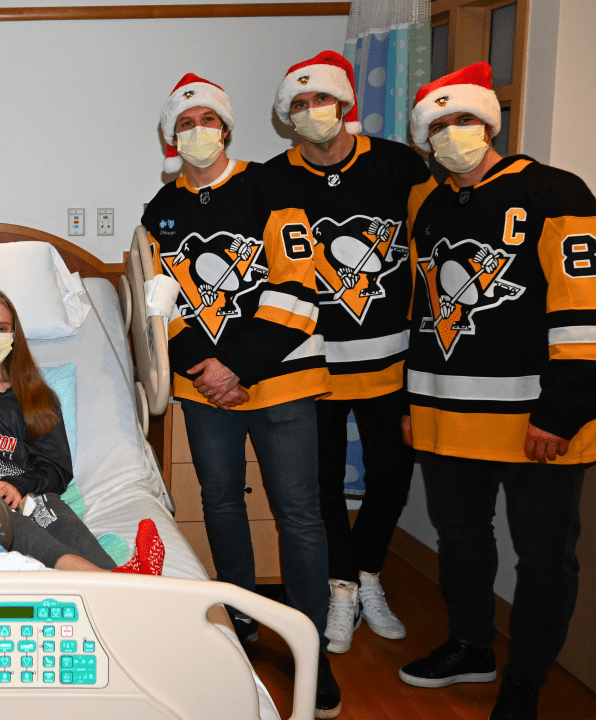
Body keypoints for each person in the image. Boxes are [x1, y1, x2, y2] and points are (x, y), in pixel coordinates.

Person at [398, 62, 596, 720]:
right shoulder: (427, 204)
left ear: (490, 123)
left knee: (544, 555)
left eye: (464, 120)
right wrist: (410, 404)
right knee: (461, 535)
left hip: (536, 420)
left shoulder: (555, 192)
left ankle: (526, 680)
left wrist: (563, 411)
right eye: (438, 126)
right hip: (444, 414)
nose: (453, 134)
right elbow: (422, 313)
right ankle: (470, 644)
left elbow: (583, 310)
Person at [141, 72, 341, 718]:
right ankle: (244, 622)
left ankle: (312, 647)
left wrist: (238, 367)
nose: (197, 131)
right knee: (222, 503)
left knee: (298, 512)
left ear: (226, 128)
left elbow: (297, 286)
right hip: (205, 390)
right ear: (173, 137)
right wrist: (204, 366)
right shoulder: (159, 211)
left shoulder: (273, 187)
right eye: (185, 123)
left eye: (207, 120)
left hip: (278, 377)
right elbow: (158, 309)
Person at [266, 50, 434, 654]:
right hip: (313, 365)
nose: (314, 113)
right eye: (301, 104)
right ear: (287, 116)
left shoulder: (398, 166)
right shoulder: (271, 178)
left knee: (393, 475)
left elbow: (438, 245)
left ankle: (368, 573)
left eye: (323, 101)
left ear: (346, 105)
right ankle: (341, 587)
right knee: (322, 483)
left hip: (392, 361)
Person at [0, 289, 165, 575]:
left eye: (1, 328)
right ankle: (113, 580)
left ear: (13, 334)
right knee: (4, 515)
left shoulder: (37, 399)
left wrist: (17, 486)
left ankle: (117, 574)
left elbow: (56, 469)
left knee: (47, 505)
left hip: (20, 495)